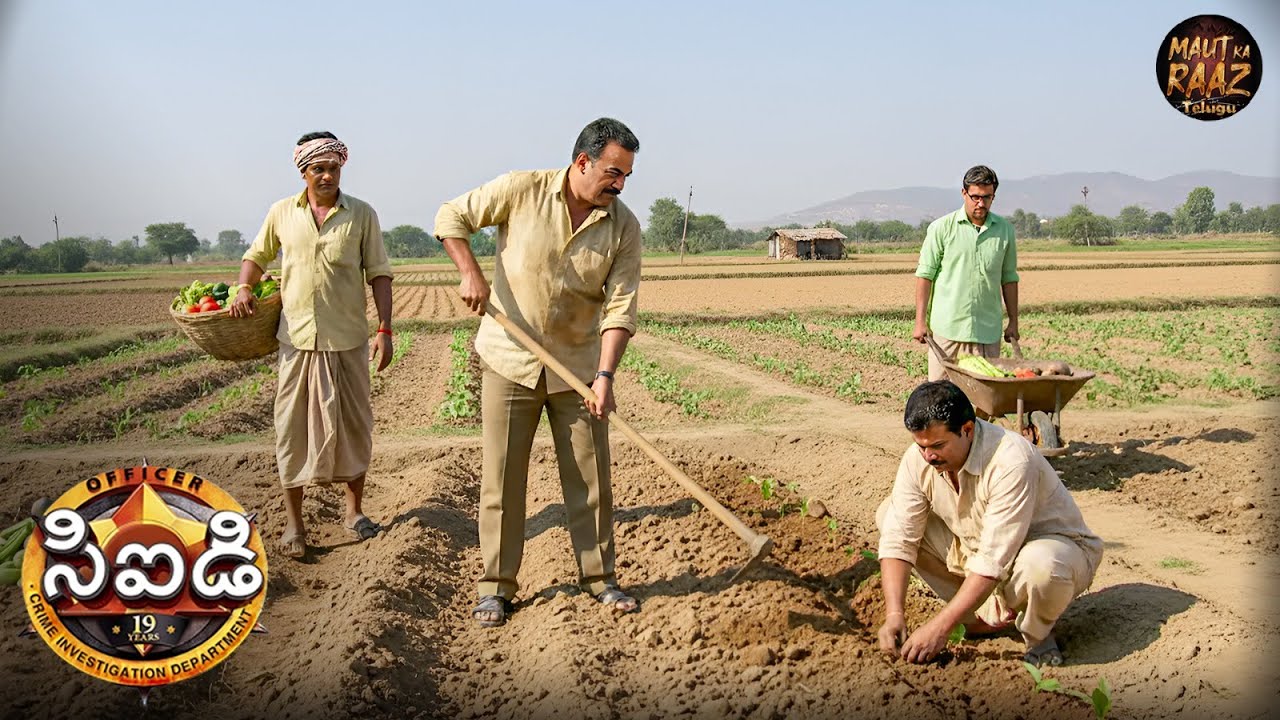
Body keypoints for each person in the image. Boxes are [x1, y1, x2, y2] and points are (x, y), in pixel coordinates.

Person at [433, 118, 642, 627]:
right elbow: (450, 216)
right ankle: (496, 588)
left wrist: (605, 377)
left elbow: (620, 309)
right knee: (503, 478)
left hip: (578, 369)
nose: (619, 184)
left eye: (627, 176)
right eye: (613, 172)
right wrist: (470, 270)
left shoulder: (623, 227)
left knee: (591, 479)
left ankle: (600, 580)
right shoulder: (521, 190)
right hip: (509, 358)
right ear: (582, 163)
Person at [232, 131, 394, 559]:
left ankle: (354, 512)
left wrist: (385, 329)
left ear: (342, 168)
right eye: (318, 168)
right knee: (291, 429)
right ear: (303, 171)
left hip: (348, 340)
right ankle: (294, 524)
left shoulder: (361, 215)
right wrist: (243, 288)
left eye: (333, 168)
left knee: (354, 426)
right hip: (298, 341)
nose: (326, 175)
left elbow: (379, 273)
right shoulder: (282, 213)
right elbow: (256, 255)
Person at [874, 381, 1103, 666]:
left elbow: (994, 559)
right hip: (979, 544)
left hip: (1051, 549)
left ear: (967, 430)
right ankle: (977, 619)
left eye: (938, 445)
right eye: (921, 446)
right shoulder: (919, 459)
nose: (928, 456)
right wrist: (894, 614)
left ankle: (1039, 634)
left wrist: (940, 626)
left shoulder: (1010, 460)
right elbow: (899, 537)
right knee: (888, 515)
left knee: (1042, 566)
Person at [912, 165, 1020, 381]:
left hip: (987, 331)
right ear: (964, 193)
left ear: (993, 196)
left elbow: (1009, 279)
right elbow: (925, 276)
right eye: (975, 197)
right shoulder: (941, 228)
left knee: (984, 400)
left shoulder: (1005, 230)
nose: (981, 203)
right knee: (941, 396)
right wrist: (920, 321)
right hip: (948, 329)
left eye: (987, 198)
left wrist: (1014, 322)